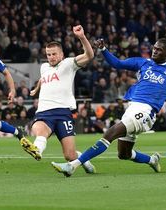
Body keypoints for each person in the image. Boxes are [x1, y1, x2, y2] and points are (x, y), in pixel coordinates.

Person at [51, 37, 166, 177]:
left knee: (110, 133)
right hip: (132, 108)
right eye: (154, 48)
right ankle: (152, 160)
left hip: (146, 112)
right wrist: (104, 50)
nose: (155, 50)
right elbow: (118, 64)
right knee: (124, 154)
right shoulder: (143, 63)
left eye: (159, 49)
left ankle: (73, 166)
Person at [26, 25, 96, 174]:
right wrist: (36, 89)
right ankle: (37, 149)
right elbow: (43, 79)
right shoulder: (44, 67)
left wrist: (82, 37)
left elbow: (89, 55)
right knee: (39, 129)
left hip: (63, 113)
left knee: (69, 155)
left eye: (54, 54)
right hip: (44, 112)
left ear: (62, 54)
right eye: (48, 54)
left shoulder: (69, 64)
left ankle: (84, 160)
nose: (51, 57)